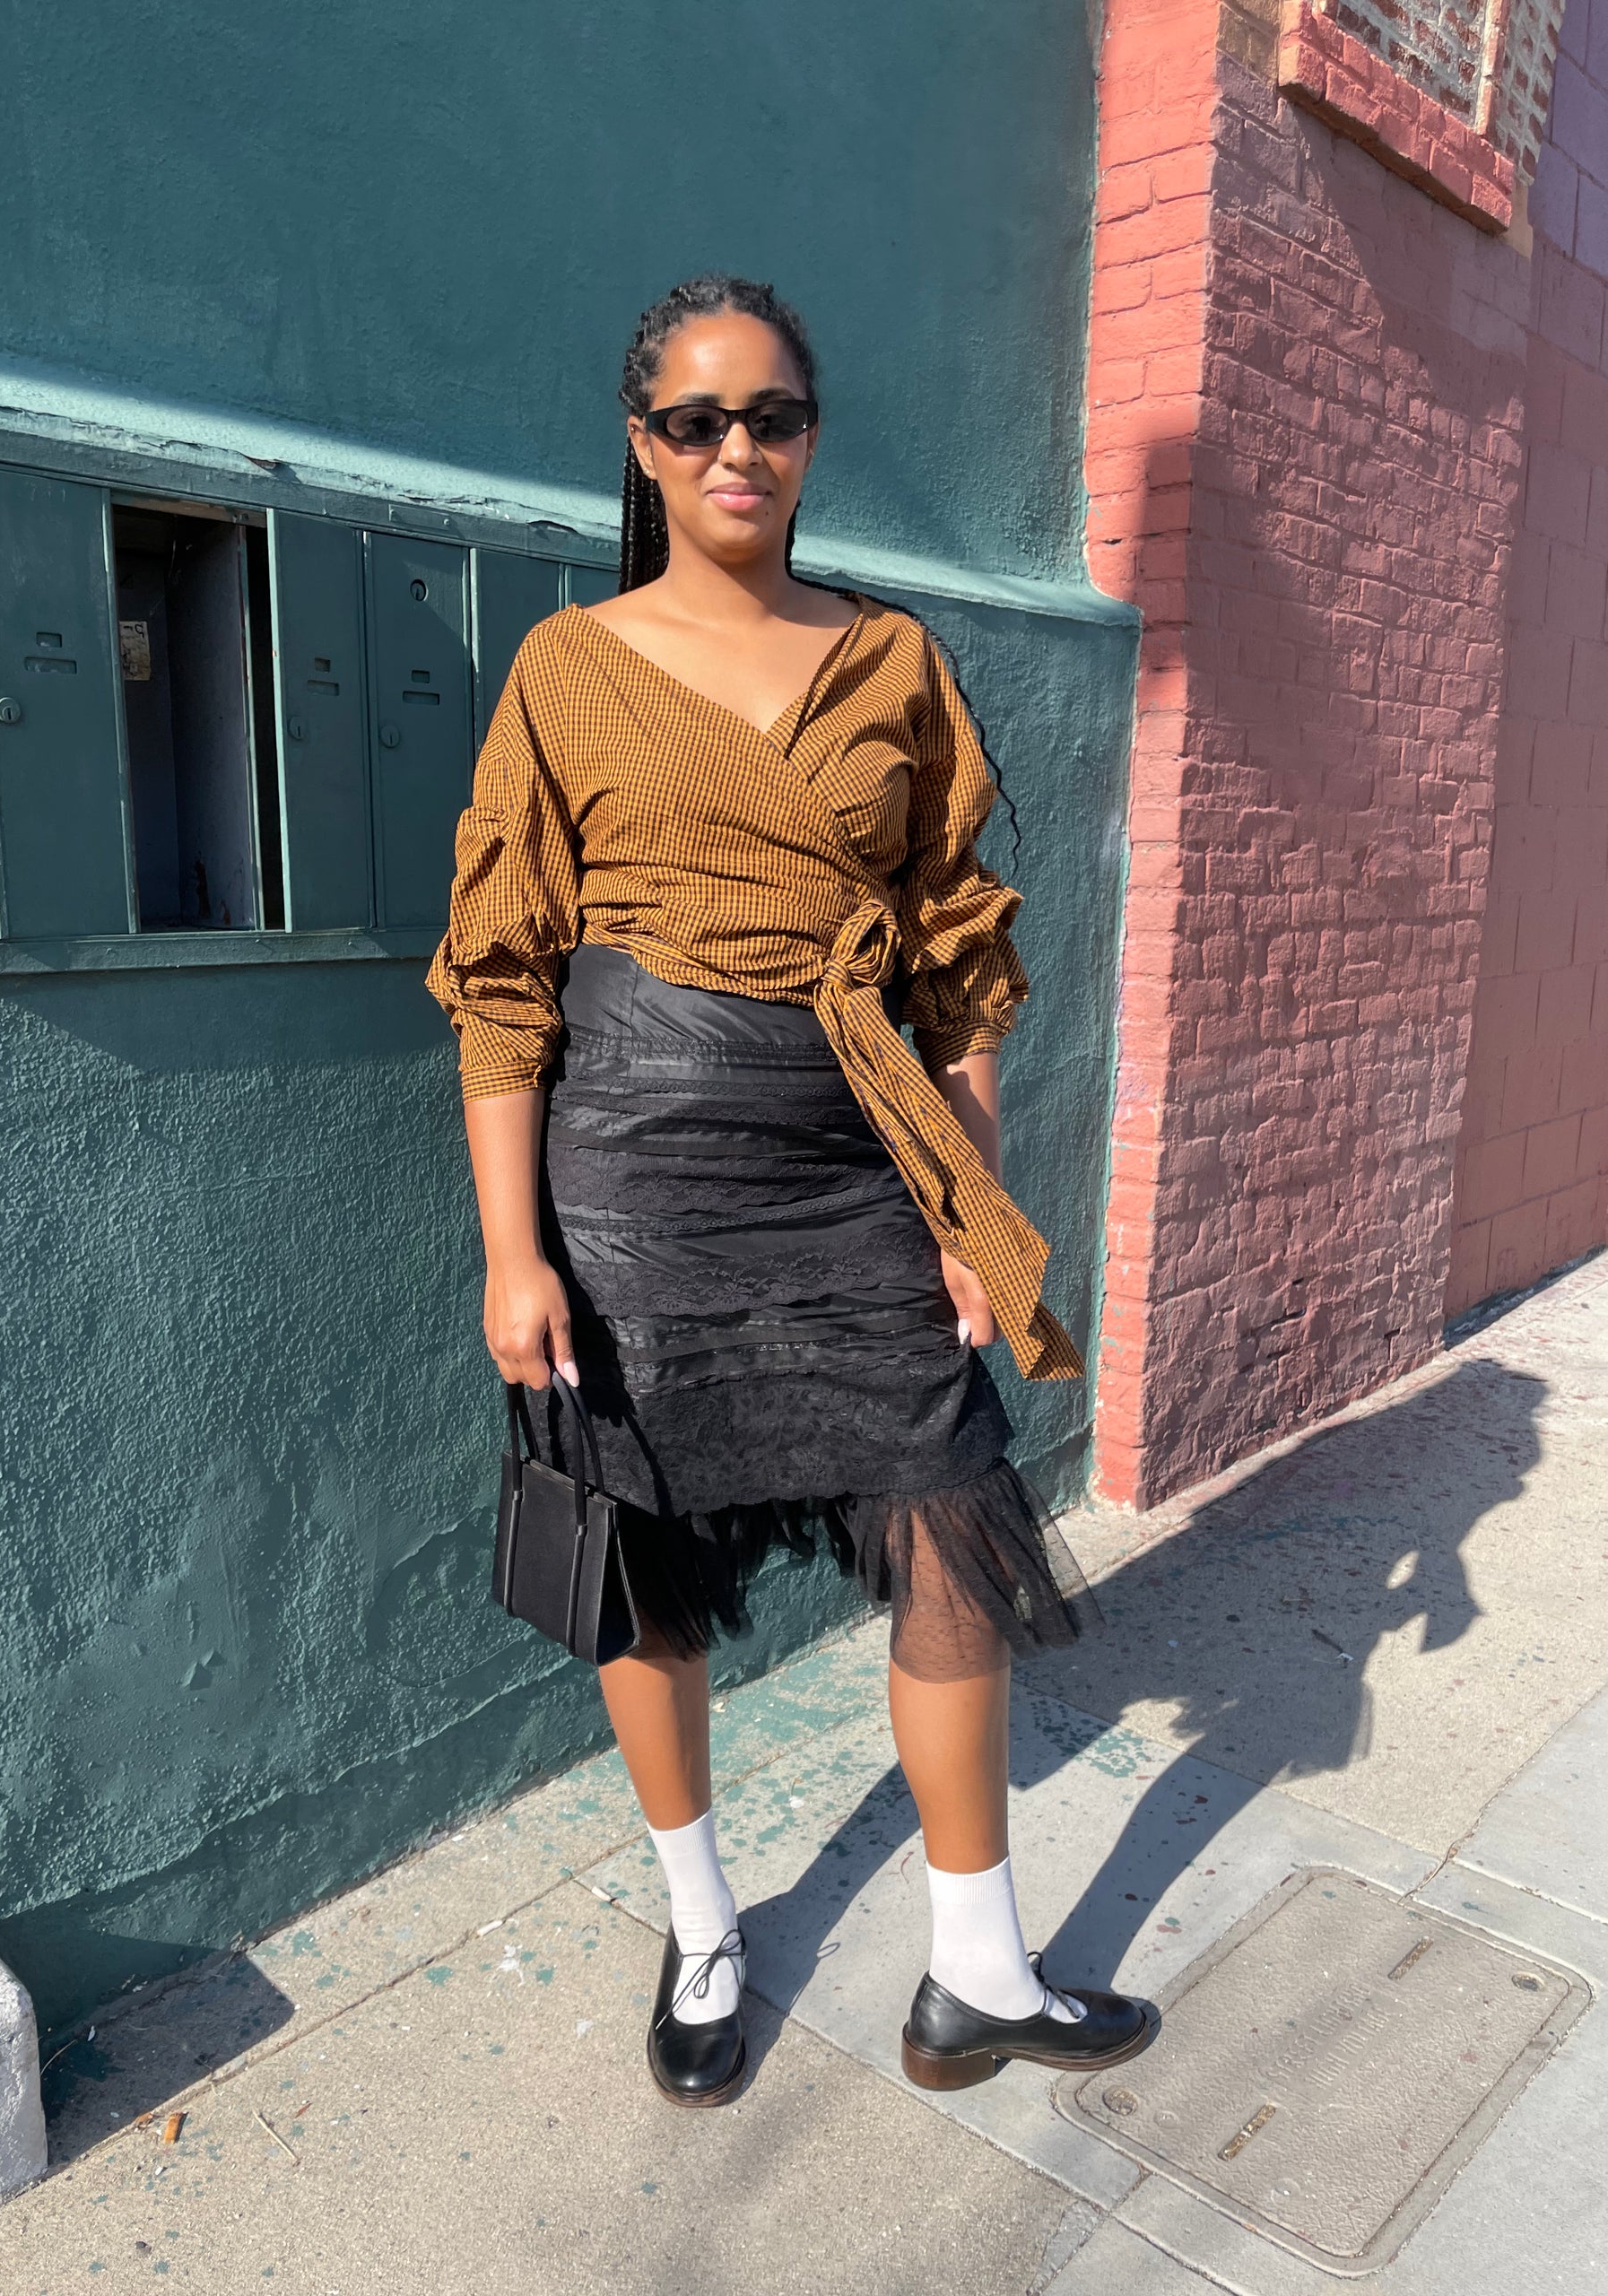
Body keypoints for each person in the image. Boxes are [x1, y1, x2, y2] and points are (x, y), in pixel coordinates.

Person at [429, 274, 1151, 2107]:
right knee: (645, 1570)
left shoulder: (892, 661)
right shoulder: (565, 672)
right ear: (643, 446)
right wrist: (514, 1248)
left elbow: (955, 963)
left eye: (771, 414)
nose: (736, 447)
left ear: (810, 434)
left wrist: (964, 1212)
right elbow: (502, 970)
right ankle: (702, 1926)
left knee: (952, 1531)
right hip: (632, 1187)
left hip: (849, 1162)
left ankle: (976, 1967)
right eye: (696, 418)